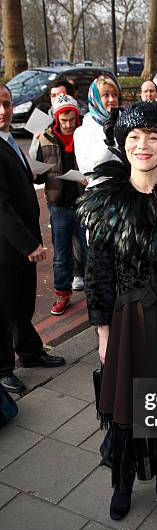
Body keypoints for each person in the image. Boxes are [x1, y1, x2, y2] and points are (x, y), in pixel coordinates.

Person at [78, 102, 157, 520]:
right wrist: (101, 334)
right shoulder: (106, 203)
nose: (143, 145)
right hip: (124, 323)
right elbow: (97, 271)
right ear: (122, 145)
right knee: (125, 405)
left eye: (152, 137)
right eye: (134, 138)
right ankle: (122, 480)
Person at [0, 84, 65, 393]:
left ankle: (29, 352)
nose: (3, 111)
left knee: (23, 302)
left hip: (22, 244)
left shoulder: (10, 139)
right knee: (4, 309)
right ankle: (3, 368)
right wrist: (28, 244)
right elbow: (1, 207)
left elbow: (23, 181)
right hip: (7, 248)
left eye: (7, 104)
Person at [35, 94, 87, 316]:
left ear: (77, 117)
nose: (68, 125)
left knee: (90, 251)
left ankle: (96, 294)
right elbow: (37, 177)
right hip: (59, 207)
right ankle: (62, 295)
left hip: (84, 203)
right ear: (56, 119)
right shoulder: (45, 138)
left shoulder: (85, 135)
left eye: (71, 120)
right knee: (61, 255)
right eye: (63, 120)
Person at [74, 74, 121, 177]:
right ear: (95, 98)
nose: (112, 99)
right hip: (99, 190)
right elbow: (86, 169)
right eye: (106, 95)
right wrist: (108, 143)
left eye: (114, 95)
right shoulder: (82, 132)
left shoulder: (125, 123)